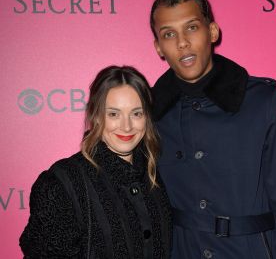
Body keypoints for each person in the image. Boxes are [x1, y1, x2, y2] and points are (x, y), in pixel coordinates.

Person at [150, 0, 276, 259]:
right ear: (158, 47)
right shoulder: (152, 112)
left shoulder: (264, 102)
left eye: (191, 27)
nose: (182, 42)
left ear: (213, 31)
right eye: (169, 34)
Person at [20, 66, 172, 258]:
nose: (126, 126)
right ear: (96, 116)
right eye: (113, 114)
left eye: (136, 113)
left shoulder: (156, 175)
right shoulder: (62, 183)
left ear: (147, 118)